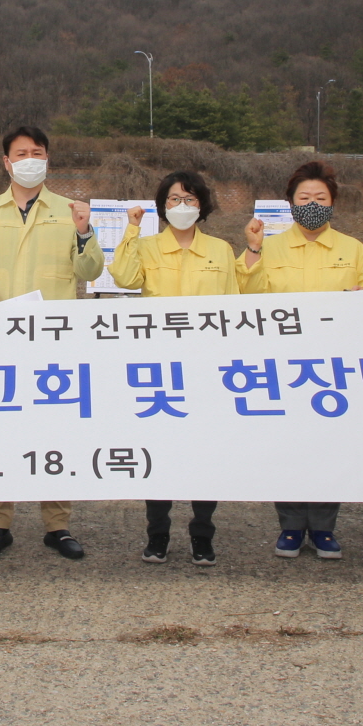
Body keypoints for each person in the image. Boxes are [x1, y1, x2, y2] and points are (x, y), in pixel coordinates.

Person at [0, 125, 102, 561]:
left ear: (48, 159)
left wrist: (83, 231)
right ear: (6, 162)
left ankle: (58, 524)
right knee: (0, 427)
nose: (29, 159)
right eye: (21, 153)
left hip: (52, 342)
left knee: (54, 428)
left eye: (37, 152)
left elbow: (90, 271)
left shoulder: (69, 210)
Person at [240, 159, 363, 562]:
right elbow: (246, 295)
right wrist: (251, 249)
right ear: (290, 203)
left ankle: (323, 528)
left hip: (334, 365)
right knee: (287, 446)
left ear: (333, 202)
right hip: (283, 365)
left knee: (329, 445)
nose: (312, 203)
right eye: (304, 197)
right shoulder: (270, 245)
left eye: (320, 197)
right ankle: (289, 526)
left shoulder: (352, 248)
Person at [110, 169, 235, 566]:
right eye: (174, 200)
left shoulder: (220, 250)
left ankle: (202, 534)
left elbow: (232, 307)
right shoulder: (146, 246)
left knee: (205, 454)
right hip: (159, 368)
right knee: (159, 454)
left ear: (203, 205)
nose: (183, 207)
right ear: (163, 207)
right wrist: (131, 229)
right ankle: (157, 534)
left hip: (205, 367)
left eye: (191, 199)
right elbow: (124, 277)